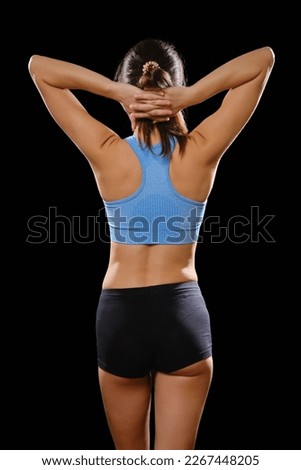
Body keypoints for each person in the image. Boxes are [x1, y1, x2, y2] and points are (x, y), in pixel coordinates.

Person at [28, 38, 275, 450]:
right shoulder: (200, 152)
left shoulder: (107, 152)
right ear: (176, 88)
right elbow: (263, 60)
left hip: (119, 316)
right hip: (182, 314)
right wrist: (193, 96)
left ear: (129, 94)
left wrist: (116, 92)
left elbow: (39, 68)